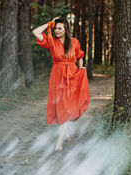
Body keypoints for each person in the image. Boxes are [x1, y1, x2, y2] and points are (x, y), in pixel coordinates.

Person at [32, 17, 90, 151]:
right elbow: (35, 32)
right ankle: (63, 135)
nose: (57, 31)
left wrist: (81, 68)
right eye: (55, 28)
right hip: (58, 77)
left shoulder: (74, 42)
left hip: (72, 76)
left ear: (65, 29)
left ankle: (59, 142)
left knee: (68, 106)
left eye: (59, 28)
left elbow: (80, 56)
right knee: (62, 107)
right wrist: (48, 23)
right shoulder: (51, 41)